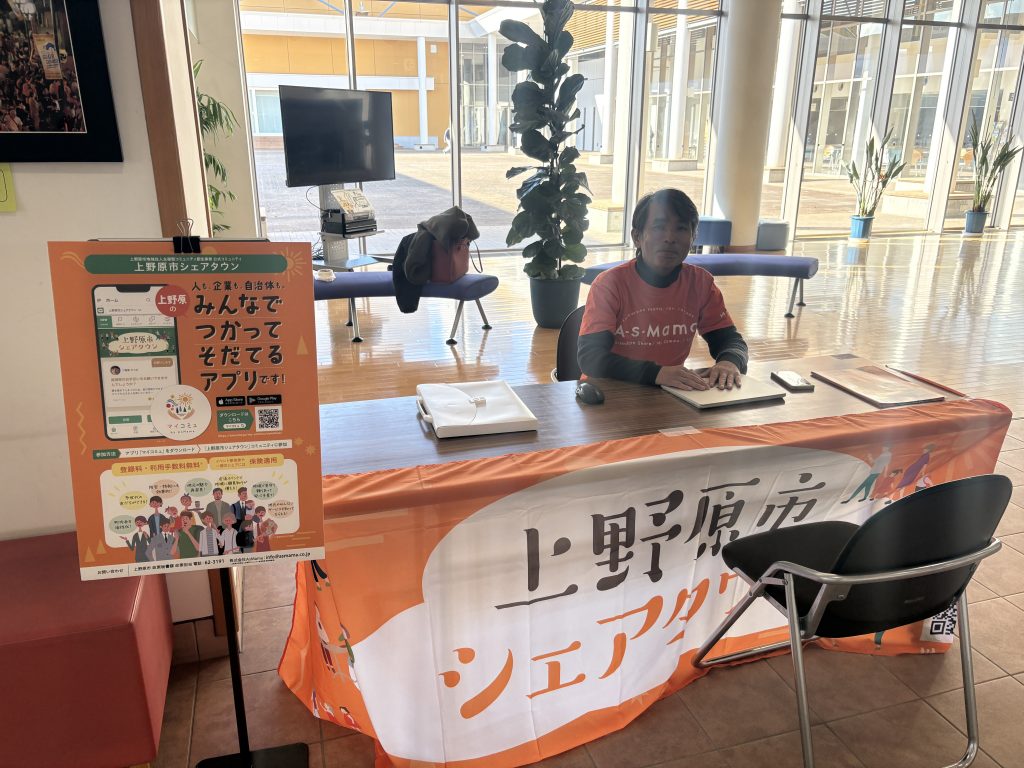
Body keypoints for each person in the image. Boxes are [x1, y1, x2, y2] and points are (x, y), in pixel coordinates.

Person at [578, 189, 748, 391]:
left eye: (681, 228)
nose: (670, 238)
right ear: (637, 237)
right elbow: (591, 358)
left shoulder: (700, 283)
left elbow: (731, 340)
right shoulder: (610, 284)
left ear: (693, 238)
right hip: (608, 394)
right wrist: (656, 373)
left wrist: (729, 362)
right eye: (659, 227)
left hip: (669, 393)